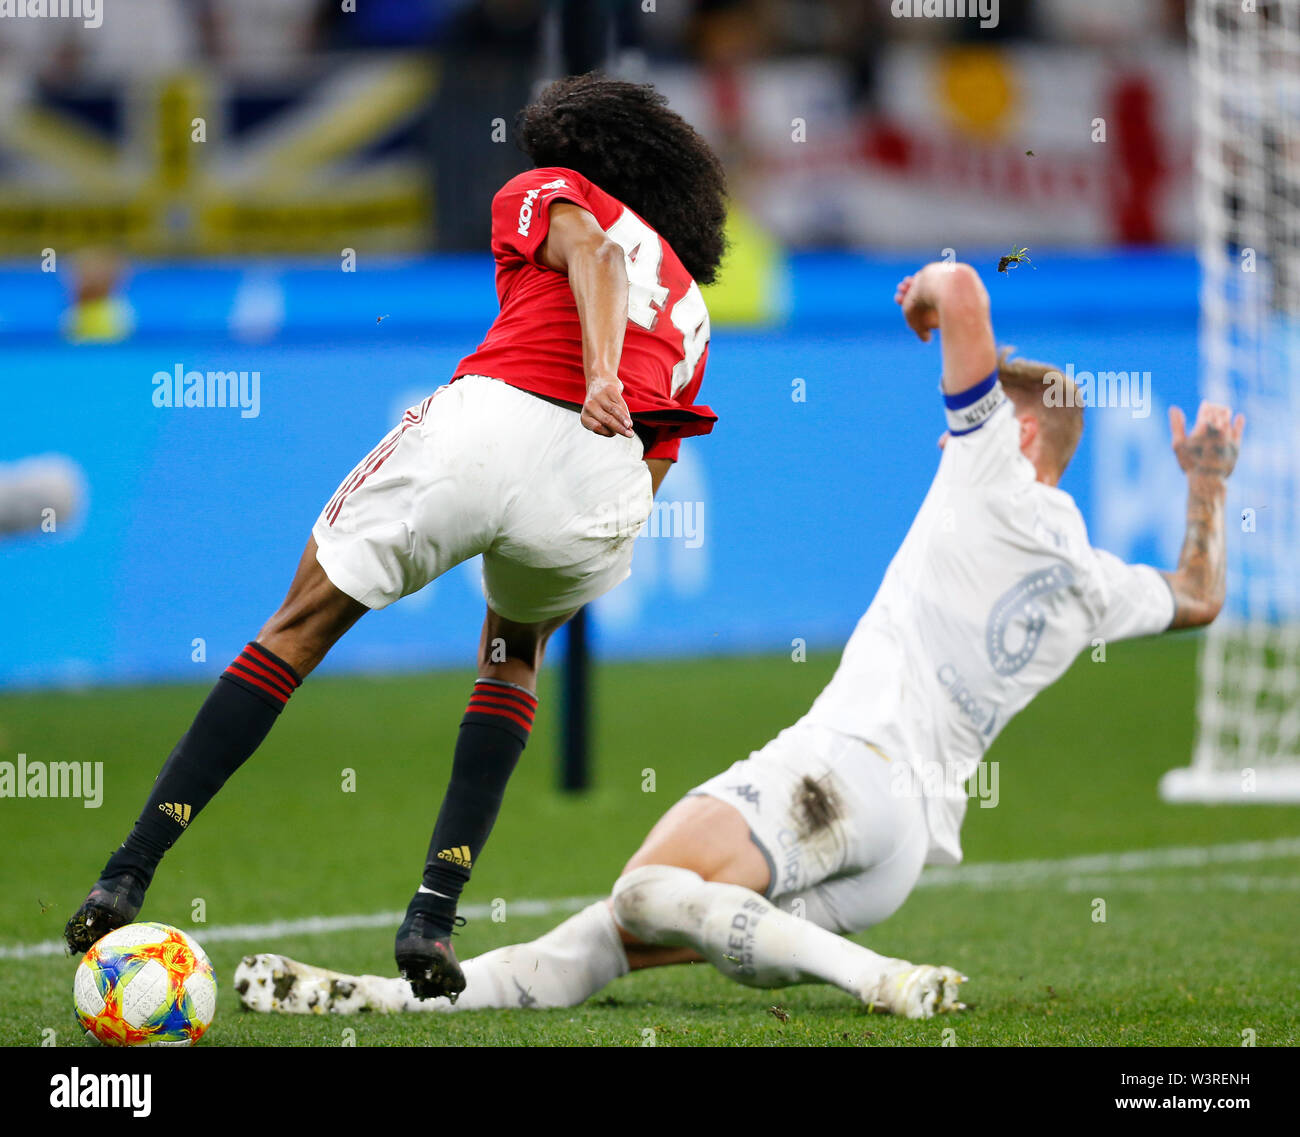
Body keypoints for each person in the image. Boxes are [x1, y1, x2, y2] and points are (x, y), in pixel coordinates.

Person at [235, 259, 1244, 1019]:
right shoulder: (1091, 578)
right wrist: (1205, 485)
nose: (945, 437)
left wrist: (926, 296)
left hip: (839, 773)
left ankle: (879, 983)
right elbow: (1197, 595)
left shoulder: (986, 475)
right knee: (613, 935)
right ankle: (373, 997)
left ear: (1017, 433)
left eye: (968, 422)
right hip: (899, 853)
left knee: (641, 887)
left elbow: (967, 294)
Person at [64, 74, 729, 1004]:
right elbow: (664, 449)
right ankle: (433, 911)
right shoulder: (694, 308)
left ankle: (127, 871)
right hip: (602, 492)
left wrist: (598, 376)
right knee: (511, 660)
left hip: (504, 422)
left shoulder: (548, 191)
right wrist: (596, 514)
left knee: (297, 628)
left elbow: (595, 258)